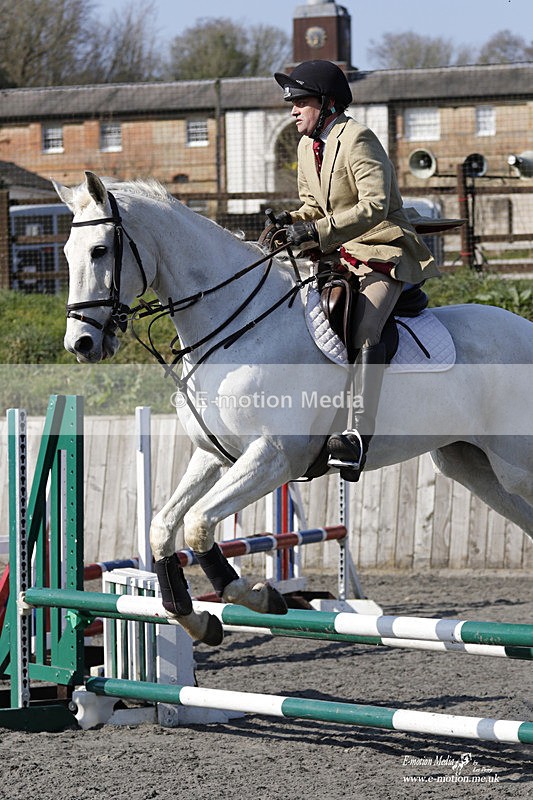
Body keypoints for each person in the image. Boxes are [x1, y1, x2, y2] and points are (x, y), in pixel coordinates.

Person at [273, 59, 441, 481]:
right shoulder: (305, 147)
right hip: (336, 251)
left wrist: (315, 228)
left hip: (383, 248)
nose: (292, 110)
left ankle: (356, 437)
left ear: (327, 103)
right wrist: (292, 221)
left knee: (365, 329)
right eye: (292, 103)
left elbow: (373, 206)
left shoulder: (358, 138)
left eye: (300, 101)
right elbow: (314, 207)